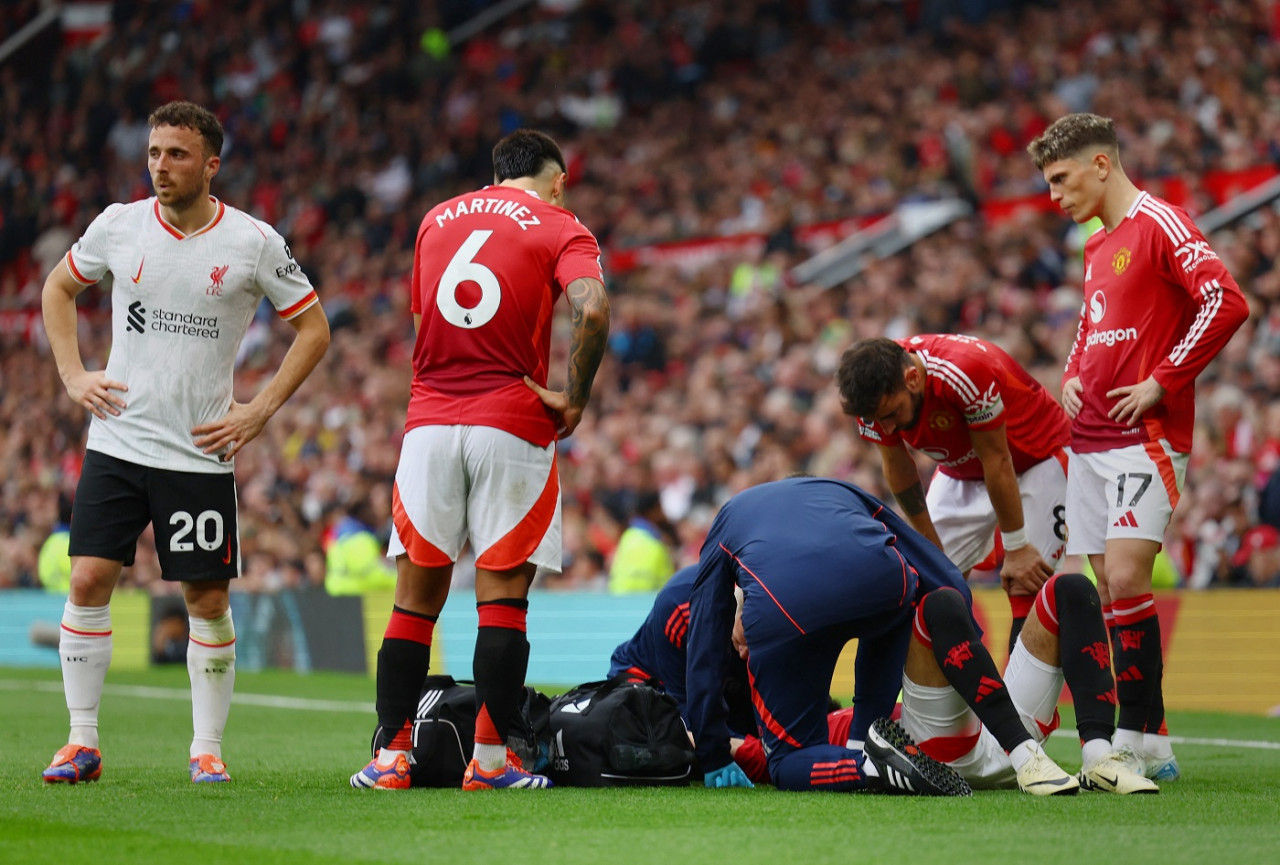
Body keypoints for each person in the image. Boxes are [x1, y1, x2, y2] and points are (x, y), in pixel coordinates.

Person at [39, 101, 330, 784]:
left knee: (206, 600)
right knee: (87, 579)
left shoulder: (253, 242)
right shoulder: (119, 225)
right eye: (153, 153)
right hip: (116, 440)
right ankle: (81, 741)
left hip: (198, 450)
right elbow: (58, 288)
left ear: (211, 164)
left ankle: (207, 749)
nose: (160, 167)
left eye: (175, 154)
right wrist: (74, 373)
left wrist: (259, 410)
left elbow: (314, 329)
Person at [350, 129, 609, 791]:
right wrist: (573, 399)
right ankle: (490, 762)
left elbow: (419, 326)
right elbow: (594, 307)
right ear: (555, 180)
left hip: (429, 423)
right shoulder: (561, 224)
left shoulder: (435, 219)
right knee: (501, 599)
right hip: (512, 419)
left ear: (494, 176)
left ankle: (390, 758)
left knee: (414, 602)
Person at [1028, 113, 1249, 780]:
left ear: (1101, 164)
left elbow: (1225, 300)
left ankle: (1129, 734)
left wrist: (1163, 380)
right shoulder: (1098, 248)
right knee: (1108, 588)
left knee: (1125, 574)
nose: (1054, 196)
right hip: (1089, 436)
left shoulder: (1162, 223)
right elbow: (1095, 327)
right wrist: (1071, 371)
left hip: (1143, 437)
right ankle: (1152, 739)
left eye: (1061, 179)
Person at [684, 475, 1077, 796]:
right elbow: (925, 560)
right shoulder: (838, 489)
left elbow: (704, 639)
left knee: (786, 760)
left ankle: (870, 766)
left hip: (785, 610)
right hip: (884, 583)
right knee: (892, 609)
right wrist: (966, 653)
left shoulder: (727, 520)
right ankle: (868, 743)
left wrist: (714, 750)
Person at [837, 334, 1074, 650]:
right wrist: (932, 550)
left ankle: (1028, 700)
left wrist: (1016, 547)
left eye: (893, 414)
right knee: (929, 589)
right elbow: (898, 468)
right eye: (880, 420)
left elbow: (997, 459)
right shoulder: (874, 397)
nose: (889, 428)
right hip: (962, 468)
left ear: (912, 378)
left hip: (1038, 456)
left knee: (1026, 583)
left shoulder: (963, 370)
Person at [902, 571, 1156, 794]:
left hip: (1002, 743)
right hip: (943, 756)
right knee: (941, 604)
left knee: (1074, 588)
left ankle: (1098, 757)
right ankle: (1024, 754)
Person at [609, 564, 857, 785]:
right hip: (654, 683)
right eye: (742, 641)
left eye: (754, 644)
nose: (743, 653)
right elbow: (684, 710)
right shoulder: (682, 607)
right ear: (734, 611)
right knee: (668, 738)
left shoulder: (783, 614)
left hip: (729, 688)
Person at [607, 490, 676, 594]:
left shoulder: (627, 537)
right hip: (647, 604)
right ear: (653, 511)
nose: (663, 513)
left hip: (619, 603)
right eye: (660, 508)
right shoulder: (656, 544)